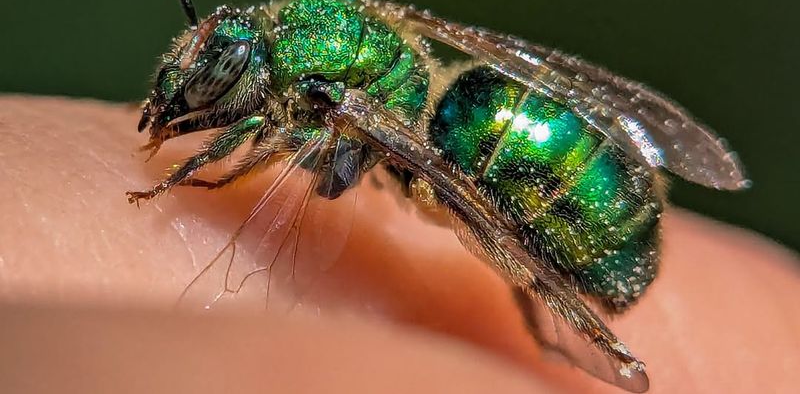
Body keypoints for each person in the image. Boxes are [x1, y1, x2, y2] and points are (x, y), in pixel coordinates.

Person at [0, 97, 797, 393]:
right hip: (491, 133)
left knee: (477, 204)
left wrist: (180, 184)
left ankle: (568, 333)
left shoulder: (338, 108)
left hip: (545, 188)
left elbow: (258, 133)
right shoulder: (359, 86)